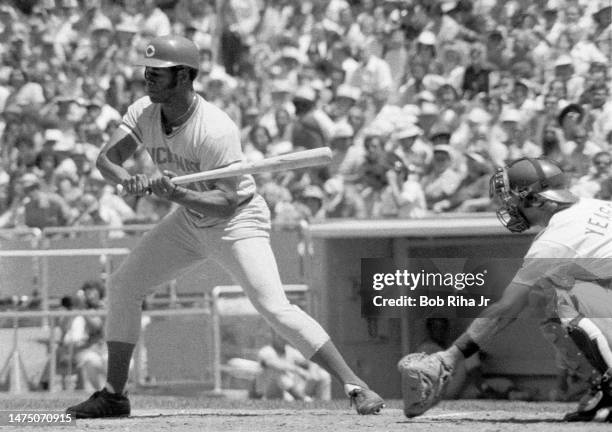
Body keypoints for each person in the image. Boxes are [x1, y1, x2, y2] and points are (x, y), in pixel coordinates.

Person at [66, 35, 384, 419]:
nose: (147, 78)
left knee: (273, 307)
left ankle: (355, 385)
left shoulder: (215, 128)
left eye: (158, 73)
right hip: (188, 222)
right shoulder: (144, 111)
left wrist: (176, 195)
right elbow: (107, 158)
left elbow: (226, 202)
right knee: (124, 285)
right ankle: (114, 395)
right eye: (147, 71)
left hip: (237, 222)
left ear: (184, 76)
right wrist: (126, 178)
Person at [399, 157, 612, 422]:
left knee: (552, 296)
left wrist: (452, 356)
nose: (507, 205)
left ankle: (608, 386)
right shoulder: (599, 205)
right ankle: (605, 390)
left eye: (512, 197)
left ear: (536, 199)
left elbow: (505, 309)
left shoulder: (554, 240)